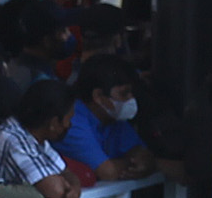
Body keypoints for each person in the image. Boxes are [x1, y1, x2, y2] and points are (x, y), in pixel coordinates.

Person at [60, 55, 157, 186]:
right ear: (98, 96)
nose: (131, 99)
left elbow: (142, 154)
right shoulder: (72, 119)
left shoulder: (114, 118)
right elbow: (107, 172)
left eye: (132, 93)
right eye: (124, 94)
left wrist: (145, 161)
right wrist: (132, 163)